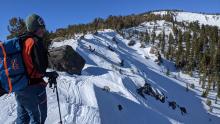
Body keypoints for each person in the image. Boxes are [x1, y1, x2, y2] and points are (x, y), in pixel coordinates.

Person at [15, 14, 49, 124]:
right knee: (37, 118)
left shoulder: (21, 41)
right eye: (41, 28)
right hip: (33, 89)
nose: (43, 31)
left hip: (19, 86)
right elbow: (40, 69)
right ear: (36, 28)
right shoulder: (34, 42)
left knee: (22, 118)